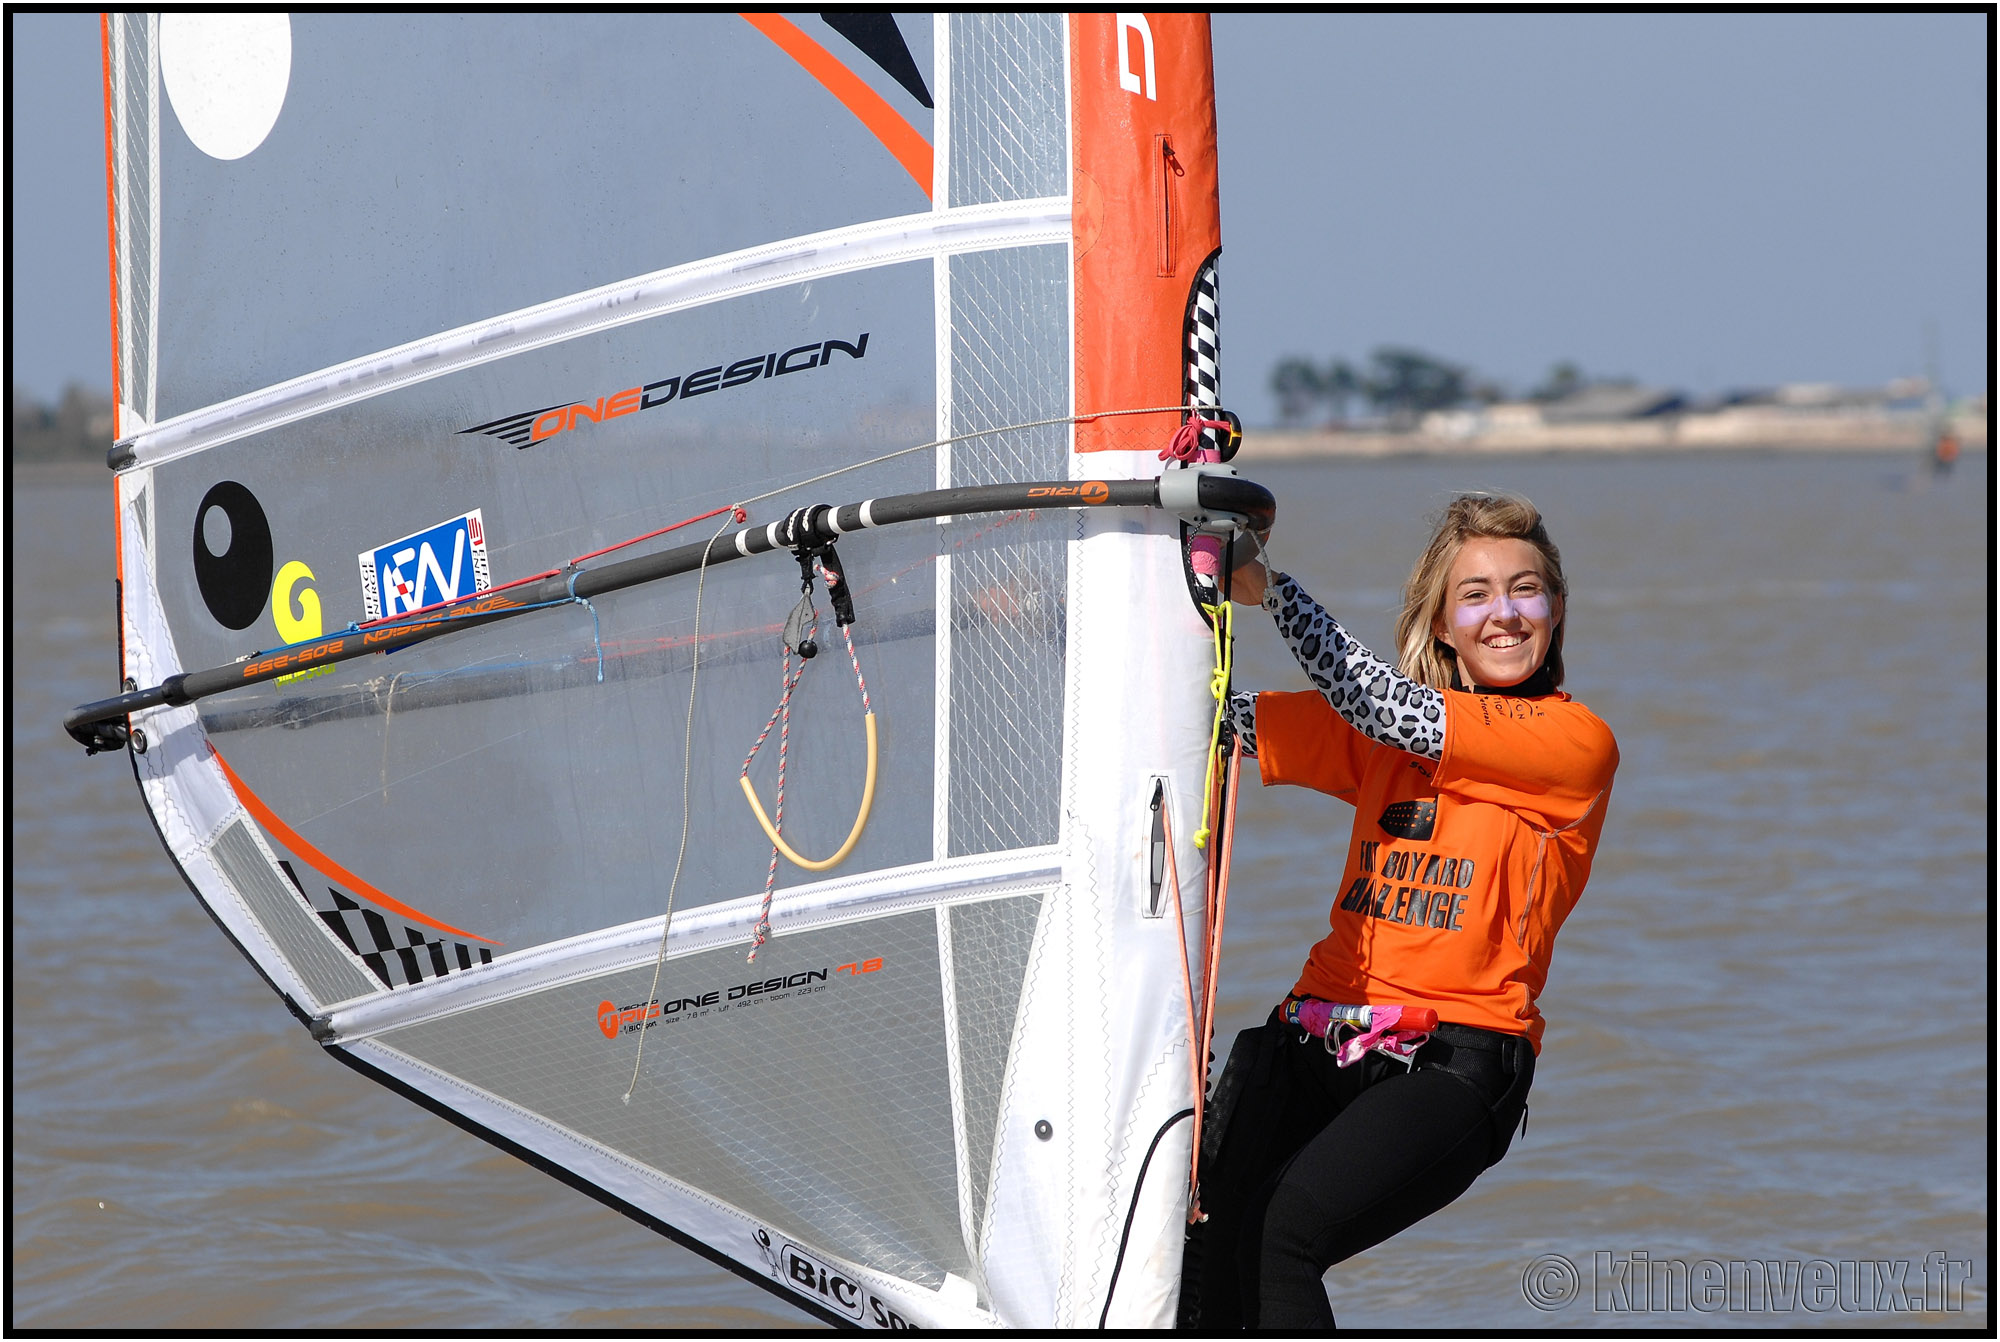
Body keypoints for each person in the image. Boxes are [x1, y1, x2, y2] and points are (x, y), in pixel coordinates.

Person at [1178, 493, 1619, 1331]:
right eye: (1476, 594)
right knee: (1203, 1250)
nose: (1505, 614)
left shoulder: (1573, 744)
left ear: (1555, 611)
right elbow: (1196, 722)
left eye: (1525, 590)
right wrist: (1036, 621)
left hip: (1454, 1061)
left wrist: (1264, 583)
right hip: (1314, 1031)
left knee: (1284, 1235)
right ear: (1444, 623)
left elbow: (1379, 700)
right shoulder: (1382, 741)